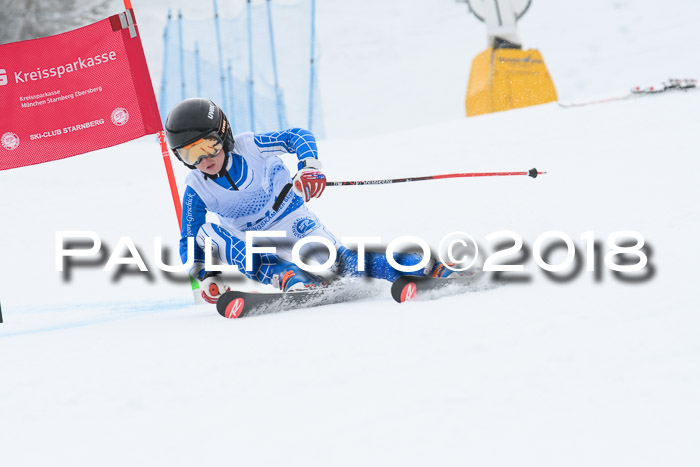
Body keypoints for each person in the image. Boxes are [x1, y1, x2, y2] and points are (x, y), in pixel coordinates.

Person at [165, 98, 453, 304]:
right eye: (190, 155)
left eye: (209, 146)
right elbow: (188, 241)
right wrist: (206, 275)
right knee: (205, 234)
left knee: (345, 264)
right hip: (249, 241)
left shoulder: (250, 146)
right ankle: (287, 277)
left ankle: (426, 268)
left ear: (224, 135)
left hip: (291, 220)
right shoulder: (197, 187)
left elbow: (296, 136)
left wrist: (309, 167)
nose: (204, 160)